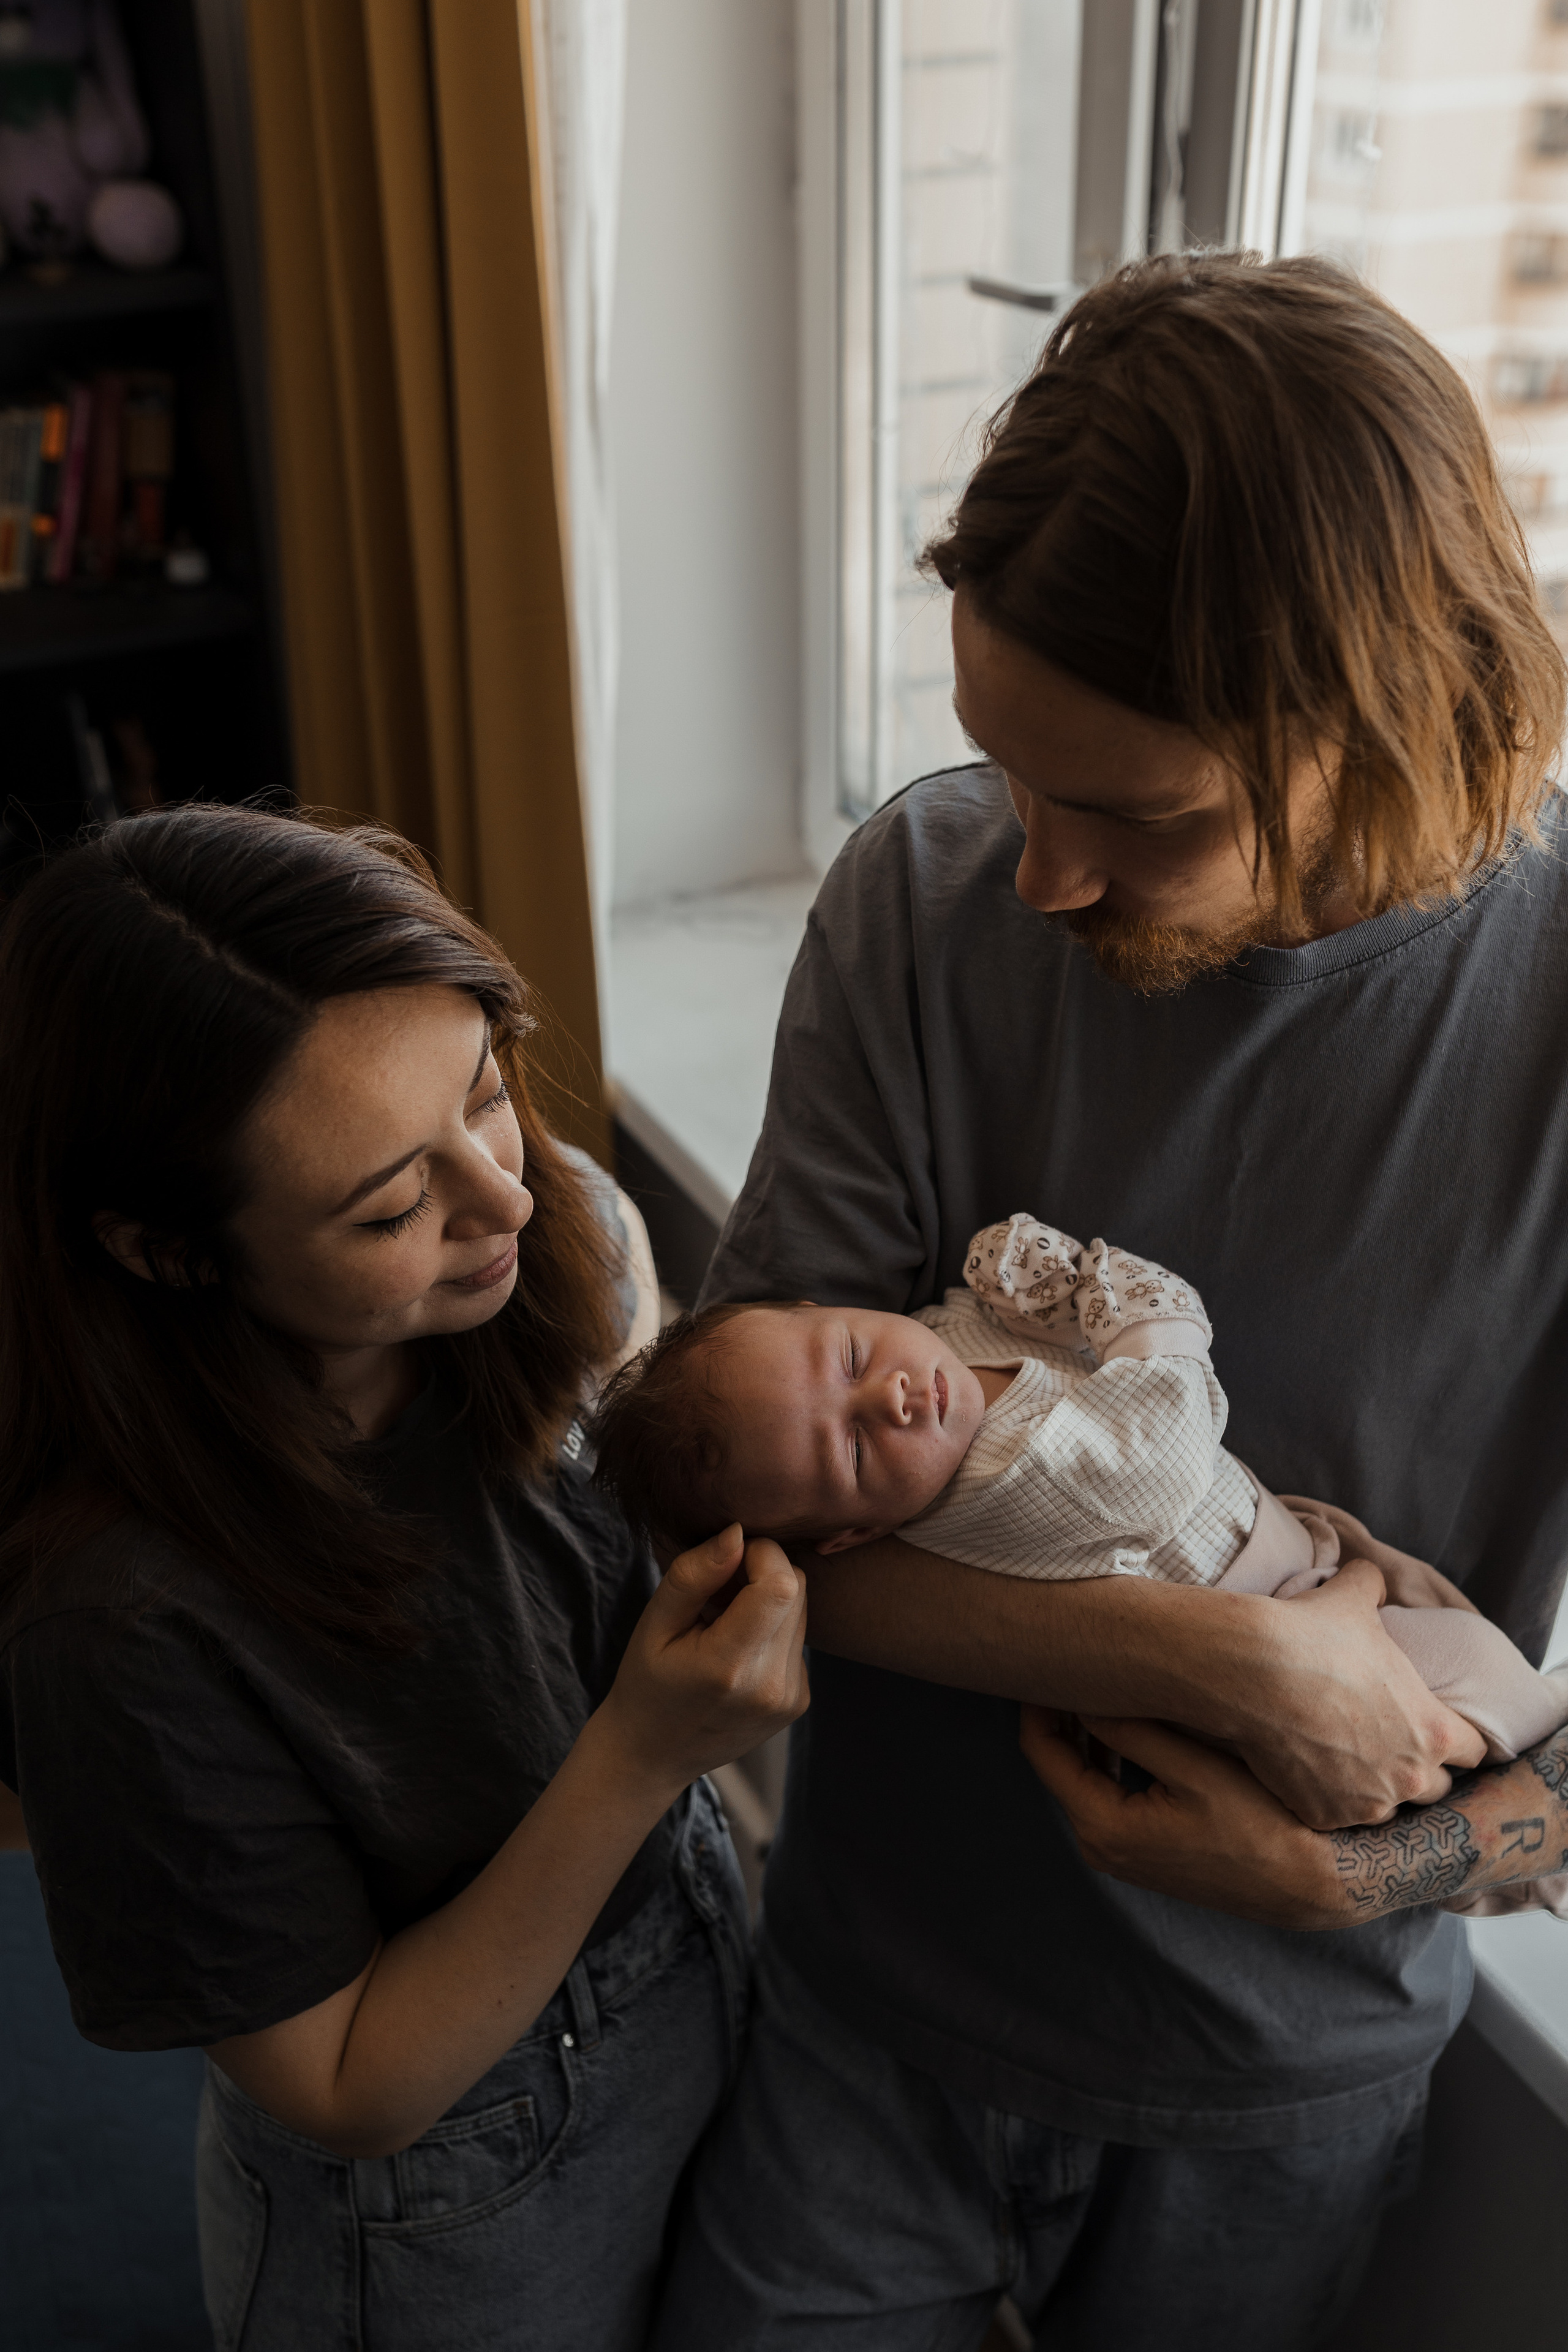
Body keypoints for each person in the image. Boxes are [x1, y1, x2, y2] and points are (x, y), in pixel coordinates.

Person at [647, 252, 1568, 2351]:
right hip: (865, 2018)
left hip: (1281, 2103)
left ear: (1384, 710)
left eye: (1138, 817)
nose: (1041, 874)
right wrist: (1223, 1666)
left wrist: (1374, 1877)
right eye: (1009, 770)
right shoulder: (927, 898)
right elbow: (739, 1528)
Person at [0, 805, 809, 2352]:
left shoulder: (547, 1240)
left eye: (487, 1093)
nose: (503, 1199)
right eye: (385, 1207)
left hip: (702, 2001)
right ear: (167, 1252)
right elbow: (347, 2086)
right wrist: (643, 1751)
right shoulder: (116, 1627)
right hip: (441, 2215)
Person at [587, 1218, 1568, 1910]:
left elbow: (1000, 1325)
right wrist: (1120, 1297)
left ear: (819, 1307)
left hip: (1301, 1564)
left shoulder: (935, 1348)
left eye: (848, 1357)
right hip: (1283, 1593)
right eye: (849, 1454)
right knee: (1477, 1697)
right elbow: (1168, 1426)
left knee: (1468, 1653)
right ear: (846, 1540)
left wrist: (1037, 1296)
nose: (889, 1399)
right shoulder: (1018, 1478)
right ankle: (1515, 1835)